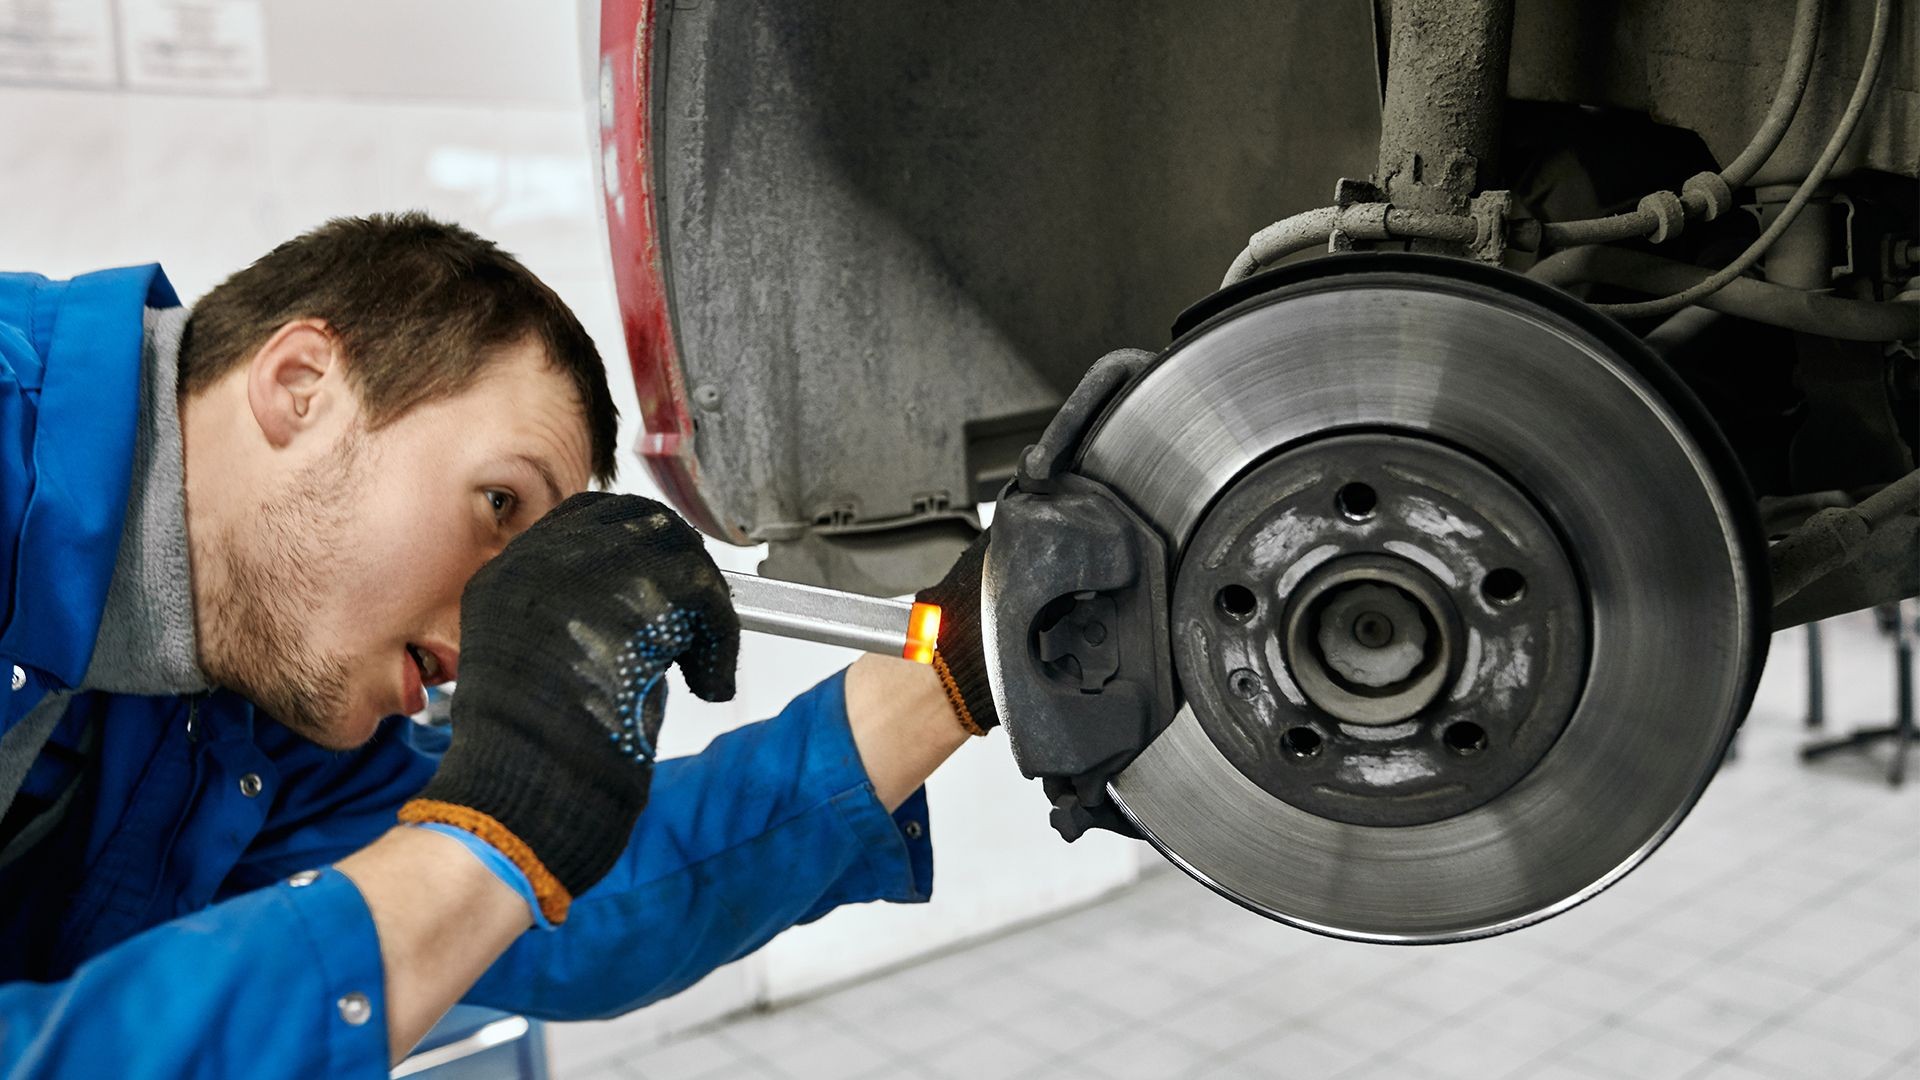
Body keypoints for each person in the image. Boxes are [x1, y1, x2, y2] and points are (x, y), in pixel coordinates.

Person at [0, 212, 999, 1075]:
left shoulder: (243, 717)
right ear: (300, 385)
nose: (492, 632)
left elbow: (563, 902)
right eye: (497, 502)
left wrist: (955, 674)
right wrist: (483, 844)